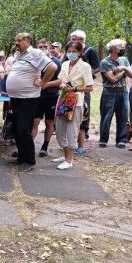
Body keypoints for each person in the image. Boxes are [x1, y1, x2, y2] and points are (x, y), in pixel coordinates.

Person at [6, 33, 57, 171]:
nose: (16, 42)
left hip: (28, 99)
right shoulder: (18, 55)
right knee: (16, 129)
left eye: (19, 40)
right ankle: (21, 157)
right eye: (15, 40)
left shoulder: (35, 53)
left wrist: (43, 82)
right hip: (16, 98)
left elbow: (52, 67)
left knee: (23, 128)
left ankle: (29, 161)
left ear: (28, 41)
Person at [53, 42, 94, 170]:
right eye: (69, 51)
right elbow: (60, 81)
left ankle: (69, 159)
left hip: (76, 102)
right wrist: (62, 86)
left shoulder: (85, 66)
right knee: (59, 130)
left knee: (72, 132)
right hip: (63, 100)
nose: (71, 54)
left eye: (74, 51)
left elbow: (90, 87)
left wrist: (75, 88)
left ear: (80, 53)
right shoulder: (64, 64)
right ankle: (65, 154)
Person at [69, 30, 100, 154]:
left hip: (83, 90)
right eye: (71, 38)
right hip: (69, 91)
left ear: (81, 40)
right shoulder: (71, 52)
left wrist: (85, 74)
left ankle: (80, 145)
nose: (71, 40)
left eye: (74, 38)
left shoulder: (90, 51)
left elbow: (97, 67)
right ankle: (70, 144)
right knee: (69, 116)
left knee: (82, 116)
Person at [98, 39, 132, 148]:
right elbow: (113, 79)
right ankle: (103, 140)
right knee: (106, 117)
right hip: (109, 92)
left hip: (123, 92)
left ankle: (121, 140)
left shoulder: (124, 60)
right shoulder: (105, 62)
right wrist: (124, 71)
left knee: (123, 117)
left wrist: (122, 68)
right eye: (121, 47)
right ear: (114, 49)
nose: (123, 49)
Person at [33, 39, 62, 157]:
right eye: (40, 46)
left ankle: (45, 146)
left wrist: (45, 85)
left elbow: (61, 80)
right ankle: (29, 146)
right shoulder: (34, 62)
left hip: (51, 96)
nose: (43, 48)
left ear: (49, 47)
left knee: (49, 121)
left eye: (45, 46)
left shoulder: (56, 62)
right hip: (36, 96)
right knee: (34, 121)